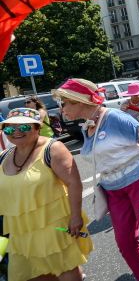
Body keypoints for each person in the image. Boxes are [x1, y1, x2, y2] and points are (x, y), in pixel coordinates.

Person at [53, 78, 139, 281]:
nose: (62, 109)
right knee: (124, 240)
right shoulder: (86, 126)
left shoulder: (115, 117)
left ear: (80, 101)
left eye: (66, 103)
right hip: (113, 189)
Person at [0, 108, 92, 281]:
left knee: (66, 273)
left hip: (54, 226)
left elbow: (74, 183)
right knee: (33, 275)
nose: (16, 132)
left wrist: (75, 217)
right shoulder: (4, 156)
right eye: (10, 129)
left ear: (37, 127)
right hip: (21, 232)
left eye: (24, 127)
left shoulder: (52, 148)